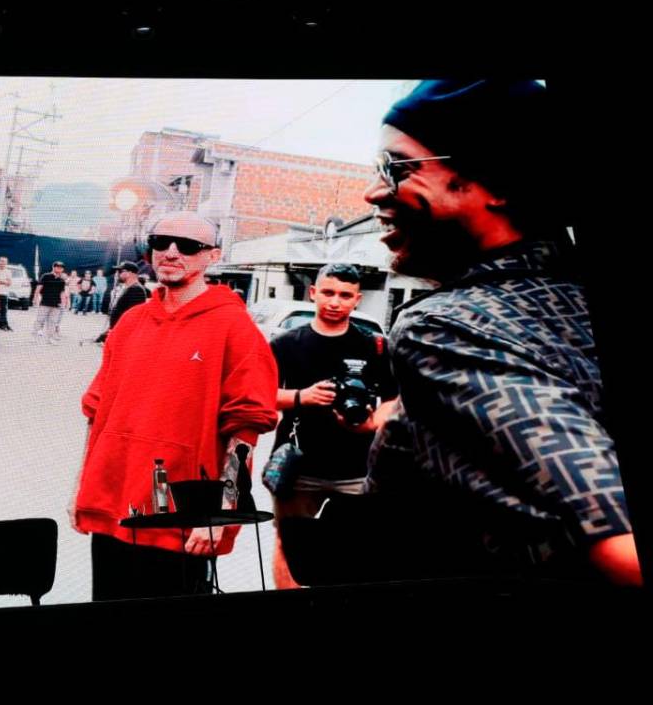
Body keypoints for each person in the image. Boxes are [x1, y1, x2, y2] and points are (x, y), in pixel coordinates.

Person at [350, 80, 639, 585]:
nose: (373, 191)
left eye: (397, 168)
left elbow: (617, 541)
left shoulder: (444, 327)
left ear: (499, 183)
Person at [70, 213, 279, 600]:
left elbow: (246, 427)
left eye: (187, 246)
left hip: (179, 521)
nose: (170, 252)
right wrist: (80, 489)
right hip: (113, 509)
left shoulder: (235, 328)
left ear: (212, 256)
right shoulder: (131, 322)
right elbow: (96, 412)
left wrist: (221, 513)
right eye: (162, 241)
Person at [266, 263, 397, 589]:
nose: (335, 301)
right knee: (288, 544)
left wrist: (371, 423)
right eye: (328, 292)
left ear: (358, 299)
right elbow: (259, 396)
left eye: (345, 295)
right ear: (313, 293)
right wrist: (303, 397)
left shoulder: (375, 346)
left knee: (357, 549)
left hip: (357, 468)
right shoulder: (286, 343)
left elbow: (395, 399)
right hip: (298, 467)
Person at [93, 261, 147, 344]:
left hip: (122, 337)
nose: (117, 274)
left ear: (129, 273)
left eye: (120, 271)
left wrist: (115, 334)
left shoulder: (137, 290)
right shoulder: (131, 288)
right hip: (116, 333)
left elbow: (132, 317)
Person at [32, 261, 69, 344]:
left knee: (52, 322)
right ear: (53, 267)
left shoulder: (62, 280)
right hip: (45, 303)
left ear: (62, 269)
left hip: (56, 304)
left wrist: (64, 303)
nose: (59, 269)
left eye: (61, 267)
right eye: (57, 267)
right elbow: (38, 288)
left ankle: (50, 338)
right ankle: (34, 336)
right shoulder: (46, 276)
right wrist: (35, 298)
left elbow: (62, 293)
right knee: (39, 320)